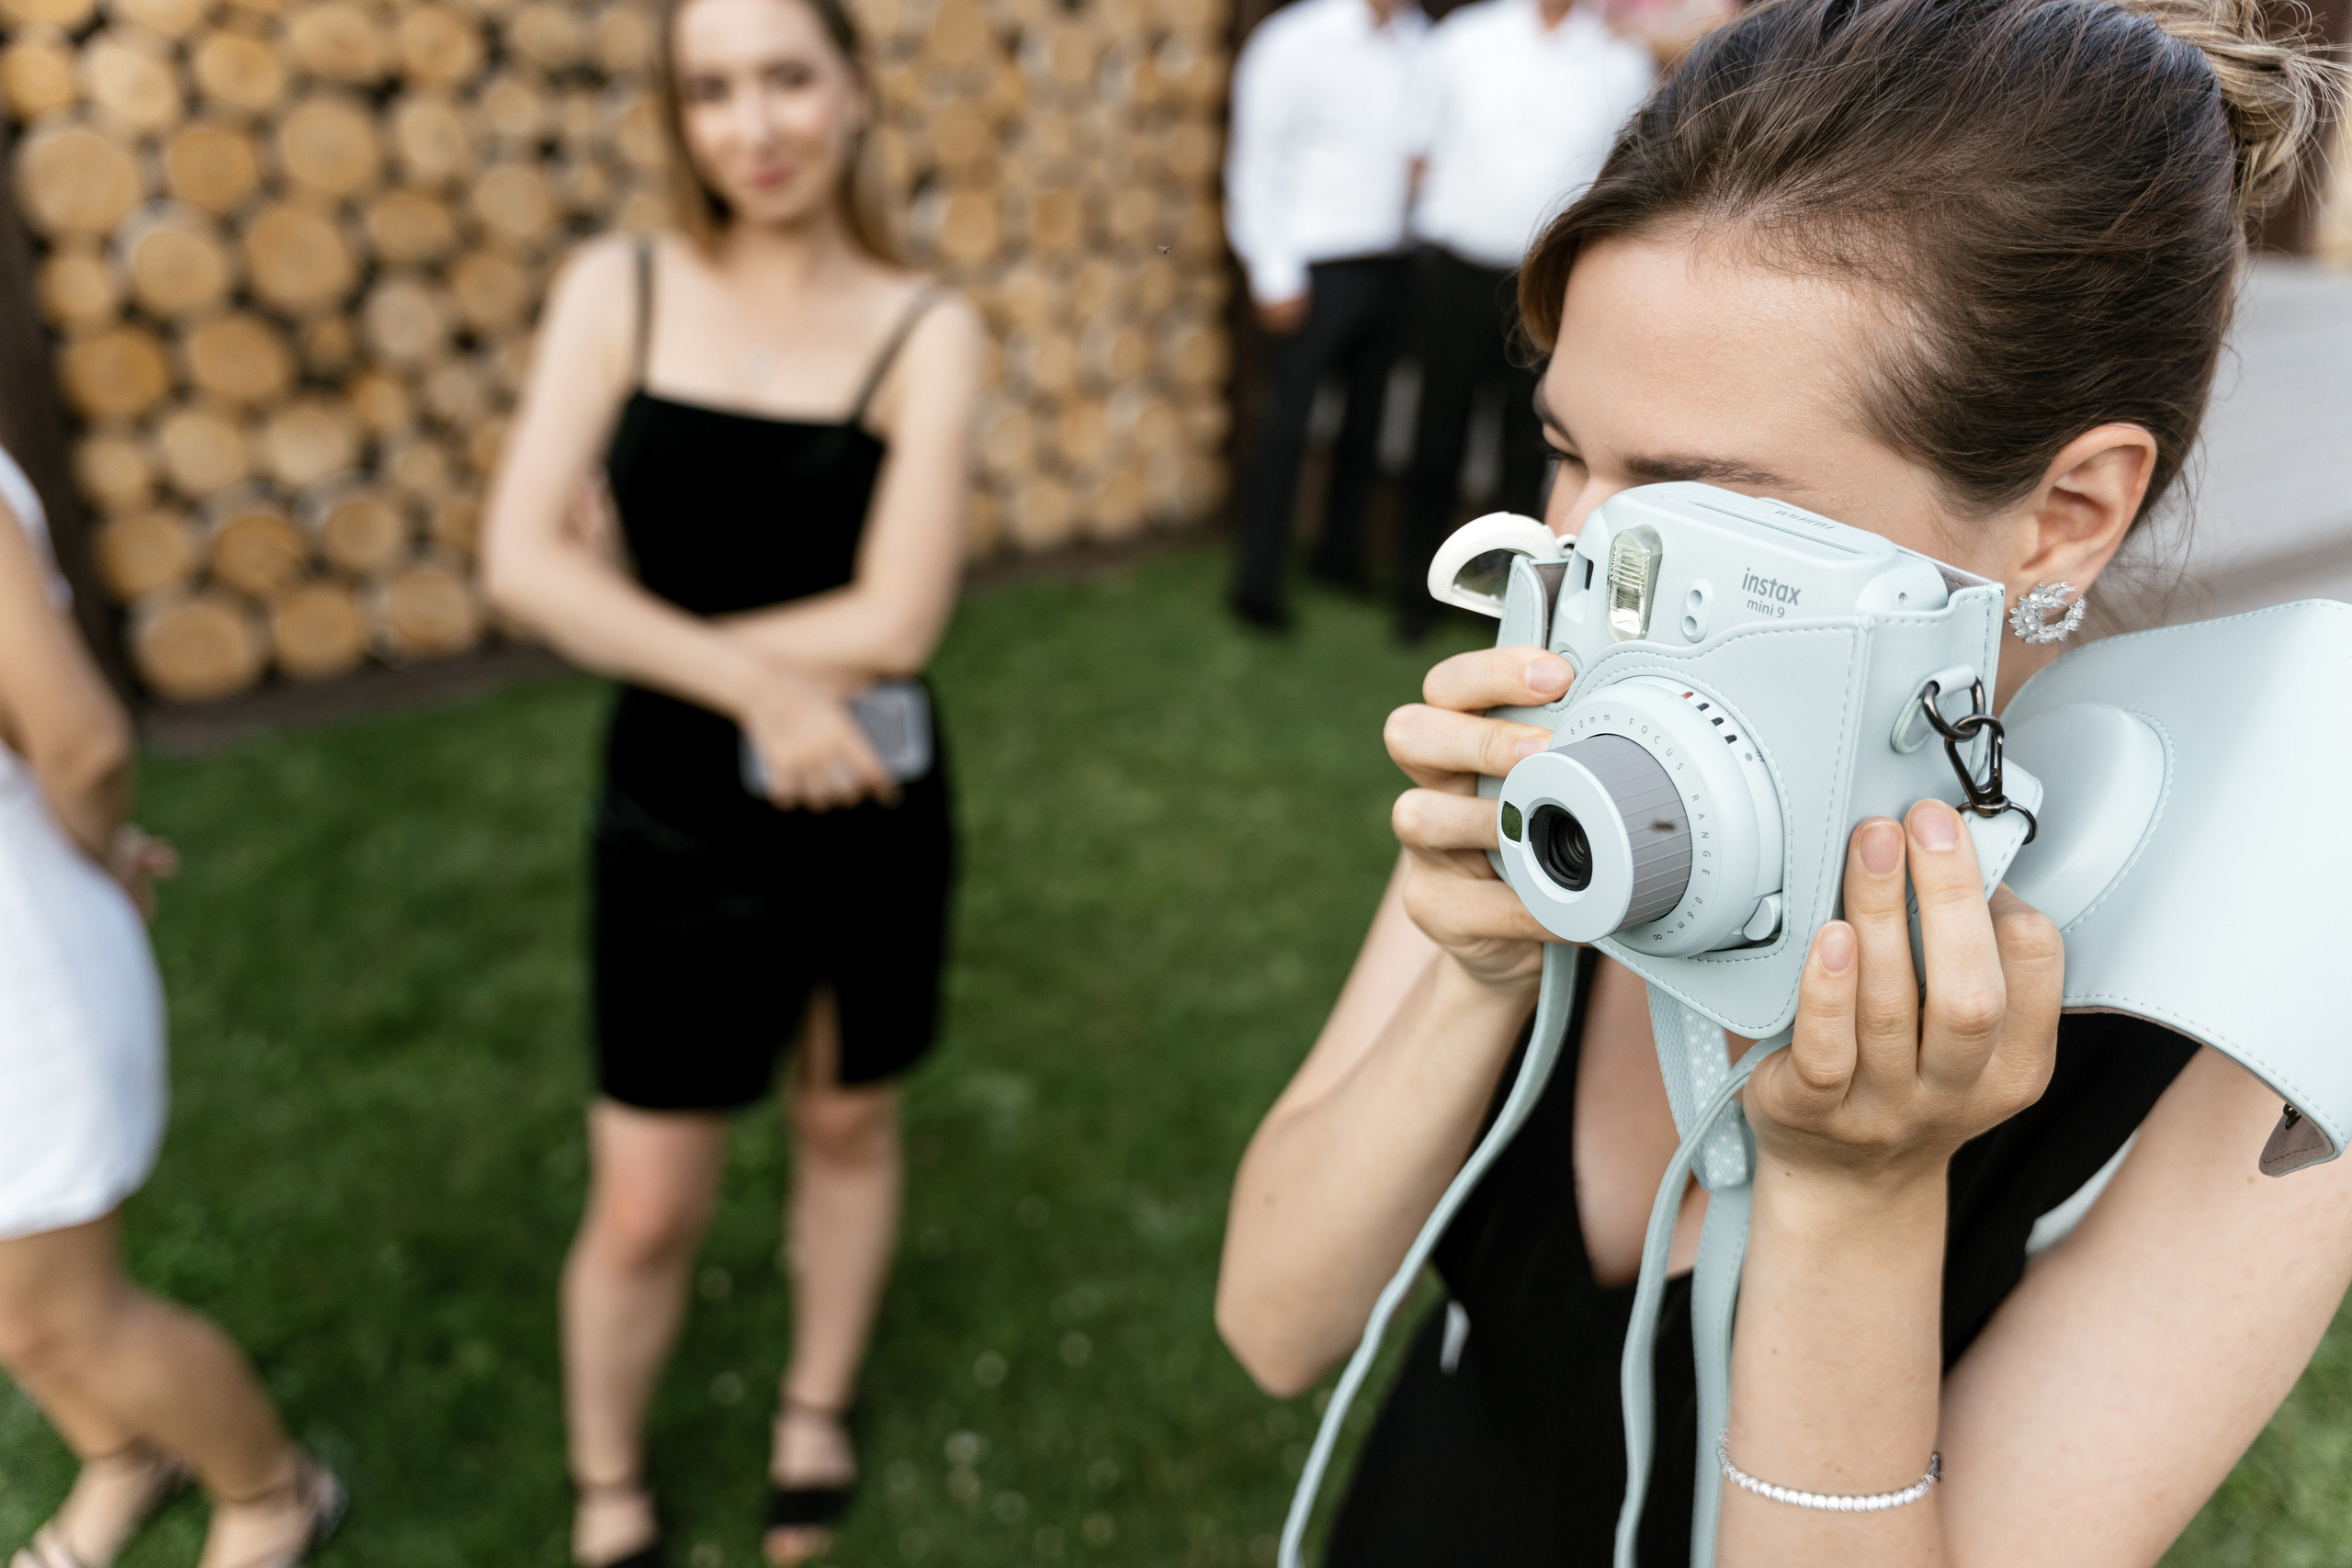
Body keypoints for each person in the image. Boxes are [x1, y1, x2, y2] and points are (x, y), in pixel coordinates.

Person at [1216, 0, 2350, 1562]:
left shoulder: (2248, 1033)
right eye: (1569, 454)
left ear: (2068, 511)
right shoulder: (1566, 752)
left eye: (1690, 499)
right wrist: (1476, 970)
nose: (1571, 564)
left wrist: (1855, 1197)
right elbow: (1275, 1327)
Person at [478, 0, 982, 1556]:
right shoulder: (614, 292)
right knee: (644, 1198)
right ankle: (608, 1481)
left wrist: (624, 613)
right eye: (711, 91)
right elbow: (512, 561)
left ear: (851, 91)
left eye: (784, 79)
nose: (752, 125)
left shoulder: (926, 327)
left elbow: (903, 616)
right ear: (678, 117)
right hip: (675, 805)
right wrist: (760, 680)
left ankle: (812, 1404)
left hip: (866, 798)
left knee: (846, 1122)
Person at [0, 449, 343, 1568]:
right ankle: (125, 1457)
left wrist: (96, 855)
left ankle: (270, 1492)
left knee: (50, 1314)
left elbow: (82, 739)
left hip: (19, 959)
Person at [1392, 0, 1657, 642]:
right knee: (1437, 434)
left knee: (1527, 446)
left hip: (1543, 284)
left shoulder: (1620, 63)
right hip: (1456, 272)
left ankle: (1508, 608)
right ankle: (1413, 595)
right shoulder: (1466, 37)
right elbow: (1418, 150)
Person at [1223, 0, 1429, 630]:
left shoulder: (1418, 38)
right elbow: (1257, 158)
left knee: (1366, 422)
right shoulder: (1294, 41)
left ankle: (1339, 556)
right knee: (1288, 424)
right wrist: (1271, 269)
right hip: (1316, 264)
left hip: (1392, 257)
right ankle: (1257, 580)